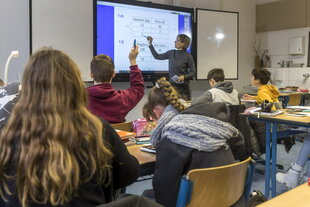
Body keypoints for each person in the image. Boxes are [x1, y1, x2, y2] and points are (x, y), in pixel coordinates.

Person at [0, 48, 140, 207]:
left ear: (27, 88)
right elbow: (129, 174)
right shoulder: (97, 129)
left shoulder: (7, 134)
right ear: (74, 84)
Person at [143, 77, 239, 207]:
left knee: (144, 197)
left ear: (156, 111)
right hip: (229, 197)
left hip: (199, 202)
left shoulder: (172, 137)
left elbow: (164, 194)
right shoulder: (208, 124)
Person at [87, 46, 144, 124]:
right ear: (113, 74)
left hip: (90, 136)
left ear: (91, 74)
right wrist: (132, 60)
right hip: (116, 135)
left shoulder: (80, 98)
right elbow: (138, 88)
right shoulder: (122, 99)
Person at [147, 34, 196, 101]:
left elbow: (193, 72)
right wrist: (150, 44)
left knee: (185, 107)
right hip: (172, 86)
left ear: (183, 43)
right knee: (172, 107)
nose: (175, 42)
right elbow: (157, 56)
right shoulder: (171, 53)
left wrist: (184, 77)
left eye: (177, 40)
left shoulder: (188, 56)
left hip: (183, 87)